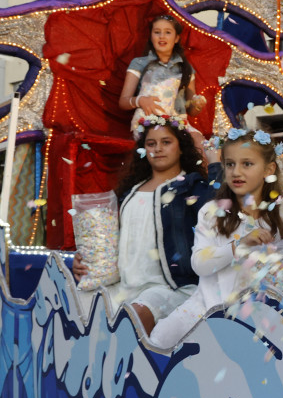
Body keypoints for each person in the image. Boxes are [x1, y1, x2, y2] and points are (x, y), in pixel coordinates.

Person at [149, 129, 283, 349]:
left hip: (261, 315)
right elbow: (199, 264)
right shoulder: (211, 211)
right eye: (229, 164)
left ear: (269, 169)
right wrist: (239, 245)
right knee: (160, 337)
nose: (236, 172)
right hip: (207, 308)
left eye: (247, 164)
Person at [73, 115, 222, 335]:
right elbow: (111, 239)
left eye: (166, 142)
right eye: (151, 143)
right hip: (121, 286)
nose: (158, 149)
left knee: (133, 319)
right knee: (75, 308)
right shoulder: (128, 192)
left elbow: (220, 208)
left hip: (169, 288)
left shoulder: (190, 186)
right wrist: (88, 259)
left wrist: (215, 163)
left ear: (181, 148)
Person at [119, 14, 207, 148]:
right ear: (151, 36)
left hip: (178, 122)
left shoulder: (186, 68)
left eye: (168, 32)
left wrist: (197, 104)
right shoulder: (139, 63)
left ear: (176, 38)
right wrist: (139, 100)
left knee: (202, 145)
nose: (162, 36)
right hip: (149, 122)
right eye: (157, 32)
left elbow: (191, 109)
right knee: (166, 143)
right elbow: (123, 102)